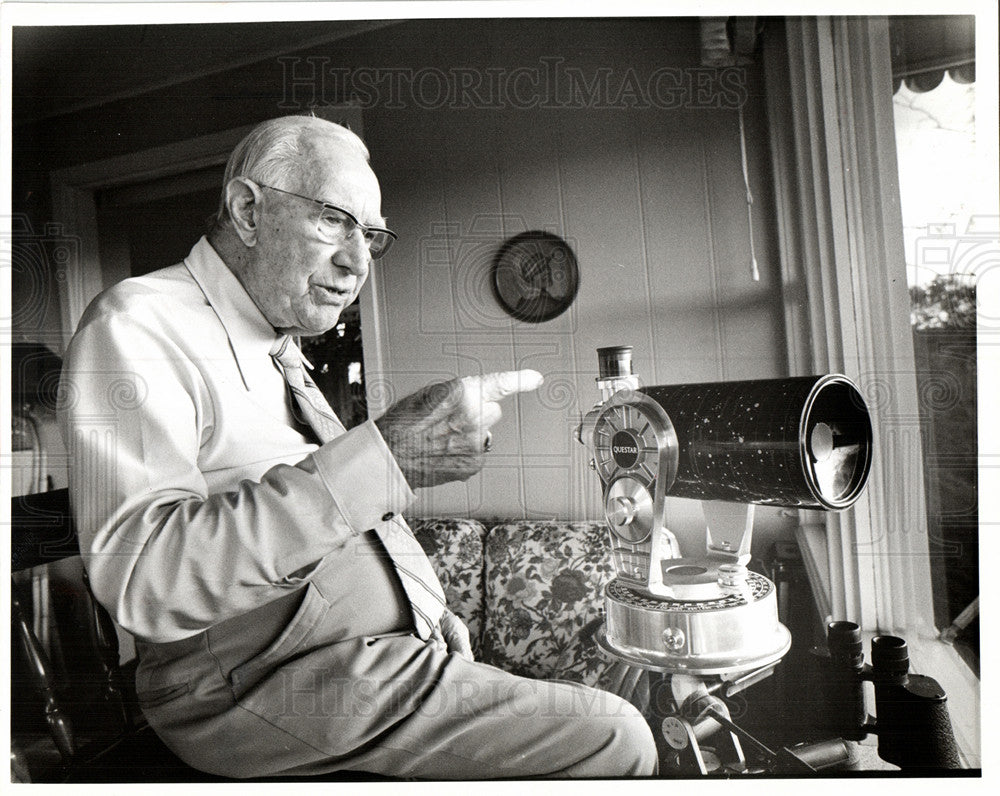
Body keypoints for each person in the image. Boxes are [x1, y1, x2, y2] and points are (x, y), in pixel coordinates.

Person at [58, 115, 658, 780]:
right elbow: (147, 580)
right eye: (335, 221)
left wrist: (428, 615)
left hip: (363, 659)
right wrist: (392, 457)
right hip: (254, 692)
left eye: (370, 237)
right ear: (247, 209)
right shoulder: (140, 322)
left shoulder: (279, 347)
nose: (358, 262)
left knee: (621, 696)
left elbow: (332, 520)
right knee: (616, 737)